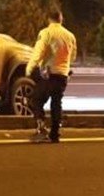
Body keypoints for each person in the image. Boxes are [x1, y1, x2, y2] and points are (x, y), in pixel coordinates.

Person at [27, 9, 76, 143]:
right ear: (61, 19)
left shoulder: (46, 33)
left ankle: (41, 129)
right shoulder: (70, 36)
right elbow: (73, 56)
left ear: (49, 19)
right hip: (63, 75)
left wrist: (30, 68)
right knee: (56, 103)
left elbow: (38, 52)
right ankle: (55, 133)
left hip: (49, 73)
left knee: (35, 99)